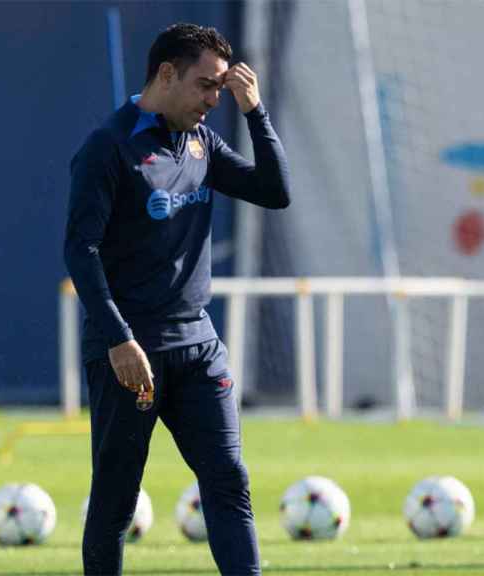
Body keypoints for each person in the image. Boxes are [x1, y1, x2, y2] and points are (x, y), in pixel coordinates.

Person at [64, 22, 290, 575]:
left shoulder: (202, 142)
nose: (215, 100)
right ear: (166, 74)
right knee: (116, 498)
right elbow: (80, 251)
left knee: (228, 477)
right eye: (206, 85)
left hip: (197, 344)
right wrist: (119, 339)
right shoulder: (107, 148)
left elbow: (274, 191)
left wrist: (255, 111)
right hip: (130, 355)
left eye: (220, 88)